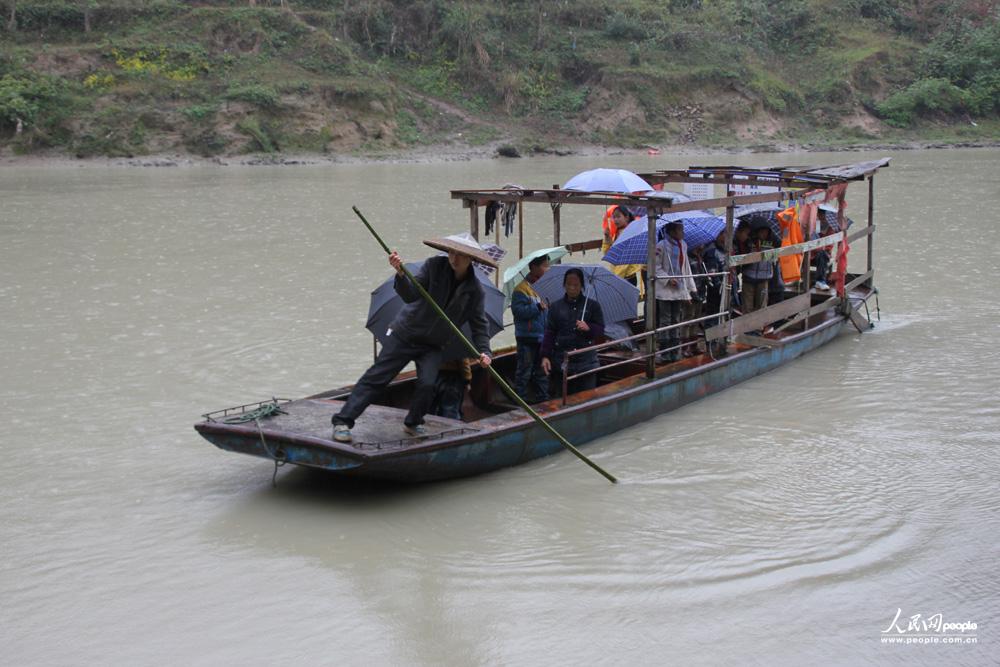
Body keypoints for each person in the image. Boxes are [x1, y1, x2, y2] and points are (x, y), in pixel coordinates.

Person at [331, 238, 495, 443]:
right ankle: (342, 421)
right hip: (405, 334)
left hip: (433, 345)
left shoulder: (474, 291)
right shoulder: (434, 266)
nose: (454, 258)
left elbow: (479, 325)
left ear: (471, 259)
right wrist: (401, 273)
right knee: (377, 378)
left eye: (460, 254)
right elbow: (410, 295)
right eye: (451, 252)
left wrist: (485, 352)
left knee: (428, 384)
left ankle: (413, 422)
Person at [540, 268, 605, 395]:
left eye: (576, 285)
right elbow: (550, 333)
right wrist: (545, 356)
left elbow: (600, 330)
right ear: (564, 285)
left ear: (582, 286)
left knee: (587, 398)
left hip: (587, 362)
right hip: (562, 362)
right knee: (561, 399)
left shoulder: (593, 306)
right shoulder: (555, 307)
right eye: (569, 285)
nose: (572, 288)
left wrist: (589, 328)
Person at [511, 253, 550, 402]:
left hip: (542, 336)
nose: (548, 269)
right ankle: (520, 401)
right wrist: (538, 307)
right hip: (526, 337)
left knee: (542, 370)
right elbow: (519, 312)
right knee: (524, 371)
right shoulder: (521, 289)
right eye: (545, 266)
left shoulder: (544, 287)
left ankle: (543, 399)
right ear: (533, 267)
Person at [654, 222, 696, 362]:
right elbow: (656, 266)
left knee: (676, 319)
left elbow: (685, 268)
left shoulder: (683, 245)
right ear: (671, 231)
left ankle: (674, 350)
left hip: (678, 288)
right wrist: (667, 278)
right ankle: (665, 352)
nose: (682, 232)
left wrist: (690, 289)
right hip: (665, 290)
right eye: (680, 230)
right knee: (665, 320)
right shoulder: (661, 246)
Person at [740, 222, 775, 313]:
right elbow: (742, 254)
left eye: (766, 232)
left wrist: (773, 238)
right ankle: (747, 326)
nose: (764, 234)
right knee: (747, 306)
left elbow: (780, 245)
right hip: (748, 276)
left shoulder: (772, 241)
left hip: (764, 277)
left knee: (762, 306)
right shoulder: (749, 241)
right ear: (757, 231)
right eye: (762, 232)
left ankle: (760, 326)